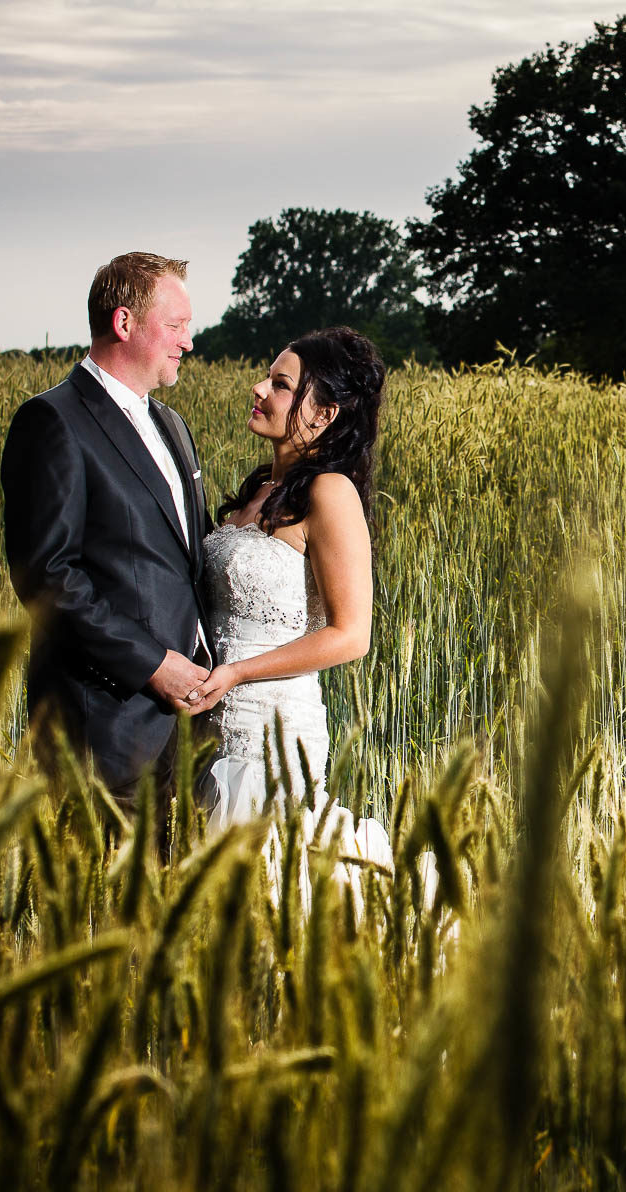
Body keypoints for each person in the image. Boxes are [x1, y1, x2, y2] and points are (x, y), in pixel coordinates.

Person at [183, 326, 399, 903]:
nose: (259, 389)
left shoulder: (329, 493)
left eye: (281, 385)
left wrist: (236, 673)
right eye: (268, 377)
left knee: (271, 892)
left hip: (272, 729)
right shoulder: (259, 490)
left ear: (324, 413)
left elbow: (351, 635)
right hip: (211, 724)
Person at [0, 252, 212, 803]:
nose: (188, 342)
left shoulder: (171, 424)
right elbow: (47, 577)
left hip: (188, 734)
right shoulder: (53, 421)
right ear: (124, 323)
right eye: (176, 326)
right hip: (101, 734)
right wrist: (153, 666)